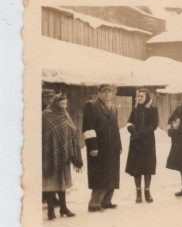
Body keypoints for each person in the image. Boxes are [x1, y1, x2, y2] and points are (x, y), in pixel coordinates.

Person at [42, 93, 83, 220]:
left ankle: (63, 208)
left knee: (62, 182)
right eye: (61, 103)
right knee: (49, 182)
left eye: (65, 104)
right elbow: (43, 134)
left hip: (64, 154)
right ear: (55, 103)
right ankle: (50, 210)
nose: (64, 106)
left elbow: (72, 131)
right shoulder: (45, 115)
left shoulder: (66, 115)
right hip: (49, 155)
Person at [82, 84, 122, 212]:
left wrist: (119, 145)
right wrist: (92, 147)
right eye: (103, 92)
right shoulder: (91, 106)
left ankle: (107, 201)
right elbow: (88, 127)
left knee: (111, 173)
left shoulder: (114, 108)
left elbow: (116, 129)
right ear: (98, 93)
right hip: (99, 147)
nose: (106, 94)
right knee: (100, 174)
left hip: (112, 147)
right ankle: (94, 203)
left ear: (112, 94)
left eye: (109, 92)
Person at [125, 88, 159, 203]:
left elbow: (154, 125)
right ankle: (138, 192)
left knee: (148, 167)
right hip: (136, 142)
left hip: (148, 142)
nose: (139, 98)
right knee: (136, 168)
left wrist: (143, 132)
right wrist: (133, 131)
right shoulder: (135, 110)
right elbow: (129, 123)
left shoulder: (153, 110)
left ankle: (147, 191)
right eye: (138, 96)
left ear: (147, 98)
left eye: (141, 96)